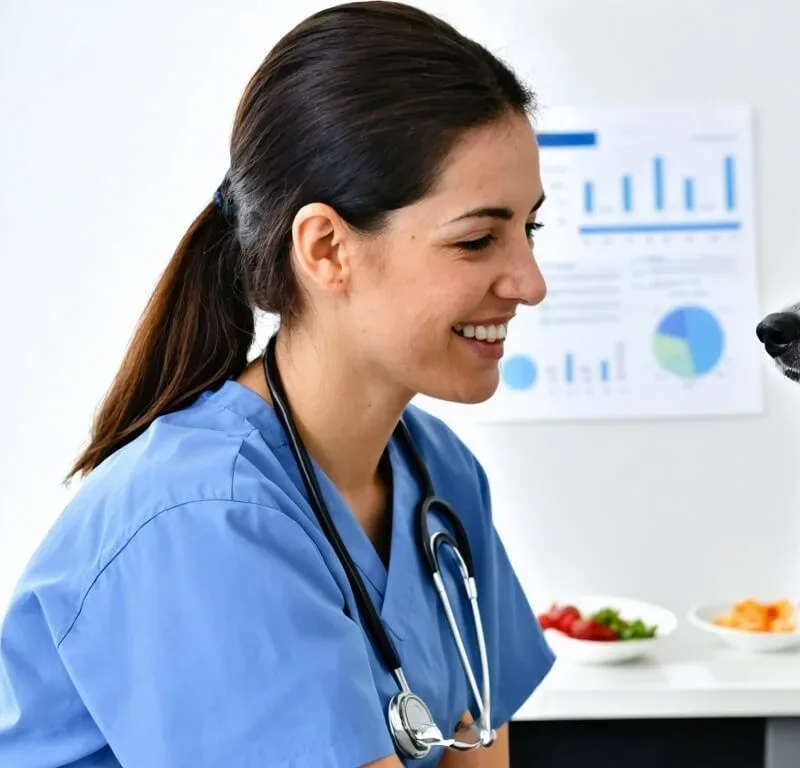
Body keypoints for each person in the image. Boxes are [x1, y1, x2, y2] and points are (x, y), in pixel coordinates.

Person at [0, 2, 555, 766]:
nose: (529, 282)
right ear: (327, 247)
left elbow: (478, 744)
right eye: (477, 240)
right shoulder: (202, 518)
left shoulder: (441, 479)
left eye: (532, 229)